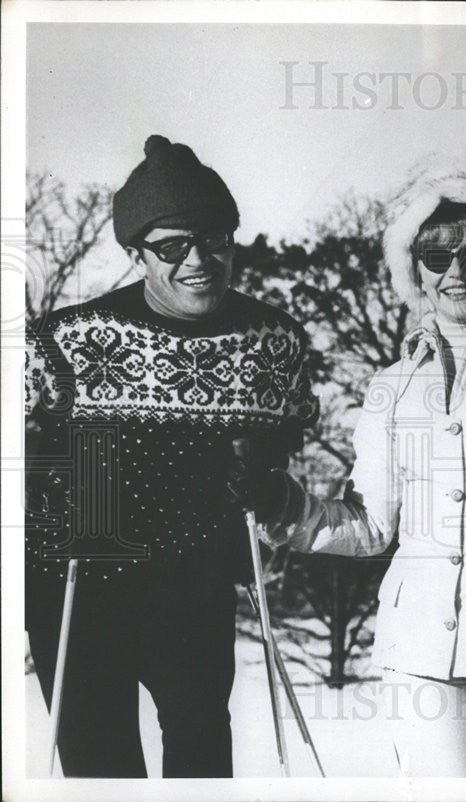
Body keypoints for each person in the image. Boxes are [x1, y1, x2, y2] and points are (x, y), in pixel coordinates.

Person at [229, 158, 466, 777]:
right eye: (437, 257)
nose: (456, 271)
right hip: (416, 647)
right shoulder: (392, 386)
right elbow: (367, 525)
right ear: (415, 269)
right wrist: (281, 505)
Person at [24, 135, 317, 777]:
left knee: (202, 760)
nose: (198, 262)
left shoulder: (273, 343)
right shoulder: (65, 341)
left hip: (193, 586)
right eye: (172, 247)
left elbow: (288, 438)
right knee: (102, 769)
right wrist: (46, 475)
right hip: (80, 579)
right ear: (136, 254)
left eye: (214, 240)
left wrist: (262, 478)